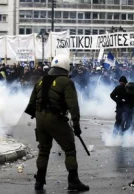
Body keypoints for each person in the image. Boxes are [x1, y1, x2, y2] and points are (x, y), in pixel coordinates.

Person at [25, 54, 89, 191]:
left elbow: (31, 102)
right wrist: (76, 125)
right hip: (54, 117)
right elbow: (73, 106)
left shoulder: (41, 80)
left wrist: (37, 117)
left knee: (43, 150)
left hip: (40, 117)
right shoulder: (66, 82)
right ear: (66, 67)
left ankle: (39, 181)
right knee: (69, 148)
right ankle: (73, 181)